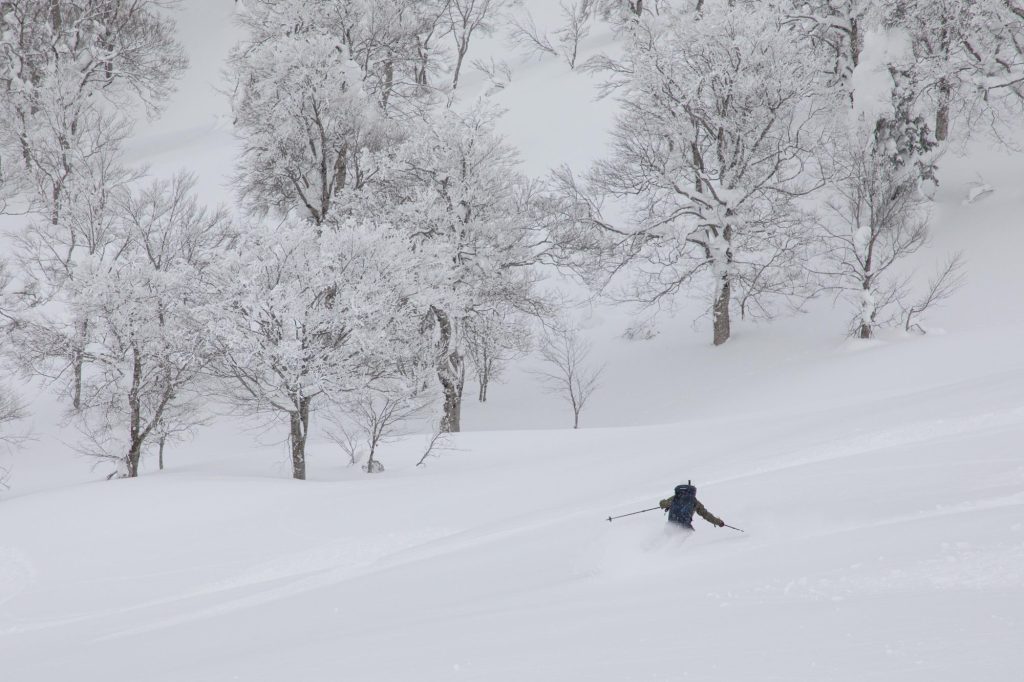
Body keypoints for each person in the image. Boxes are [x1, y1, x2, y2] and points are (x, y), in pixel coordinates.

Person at [659, 481, 726, 530]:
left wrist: (668, 504)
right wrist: (719, 522)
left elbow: (662, 504)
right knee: (690, 538)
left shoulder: (675, 498)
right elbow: (705, 514)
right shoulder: (694, 501)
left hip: (671, 524)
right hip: (685, 526)